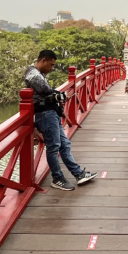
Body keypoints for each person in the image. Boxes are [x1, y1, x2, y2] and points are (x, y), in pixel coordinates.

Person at [24, 50, 99, 191]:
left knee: (64, 144)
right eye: (51, 65)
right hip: (45, 114)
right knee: (53, 147)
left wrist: (57, 96)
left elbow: (47, 92)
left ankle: (78, 174)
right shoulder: (33, 75)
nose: (51, 68)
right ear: (43, 60)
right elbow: (45, 90)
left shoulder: (37, 74)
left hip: (51, 113)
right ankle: (57, 178)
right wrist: (57, 96)